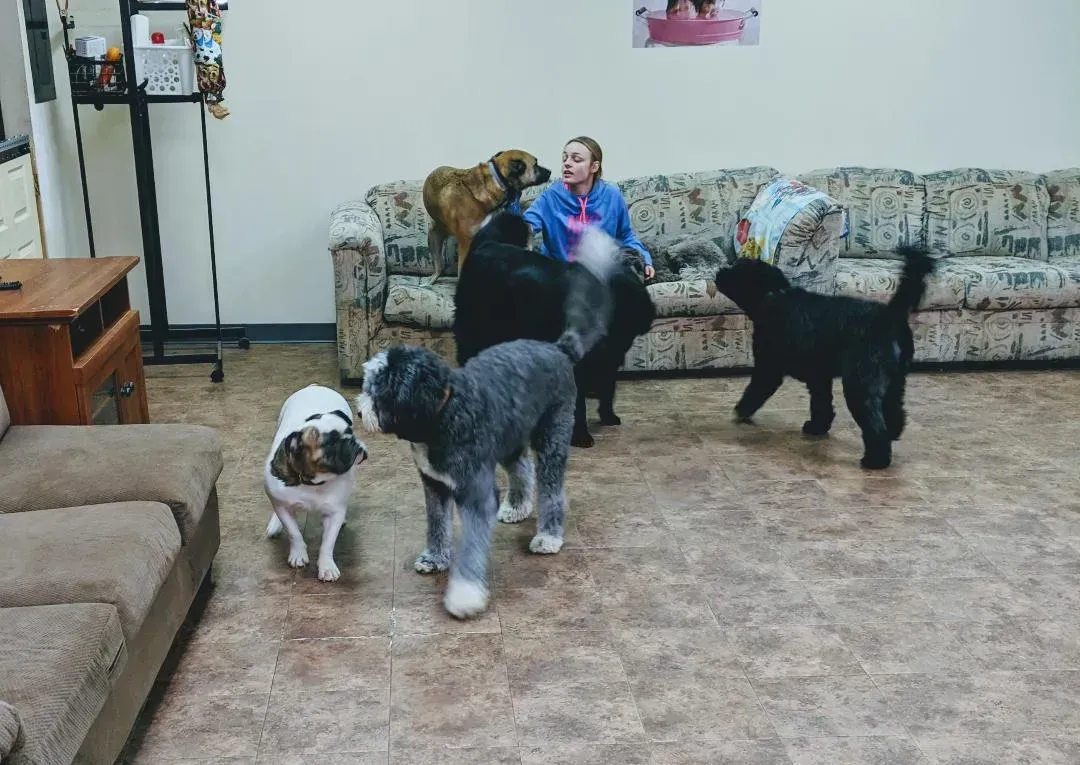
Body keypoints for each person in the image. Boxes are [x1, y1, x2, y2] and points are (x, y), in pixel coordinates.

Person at [522, 136, 656, 280]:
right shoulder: (550, 197)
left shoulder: (611, 195)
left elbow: (626, 235)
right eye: (565, 158)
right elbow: (523, 228)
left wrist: (645, 260)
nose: (567, 164)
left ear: (594, 167)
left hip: (601, 275)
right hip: (559, 276)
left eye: (576, 159)